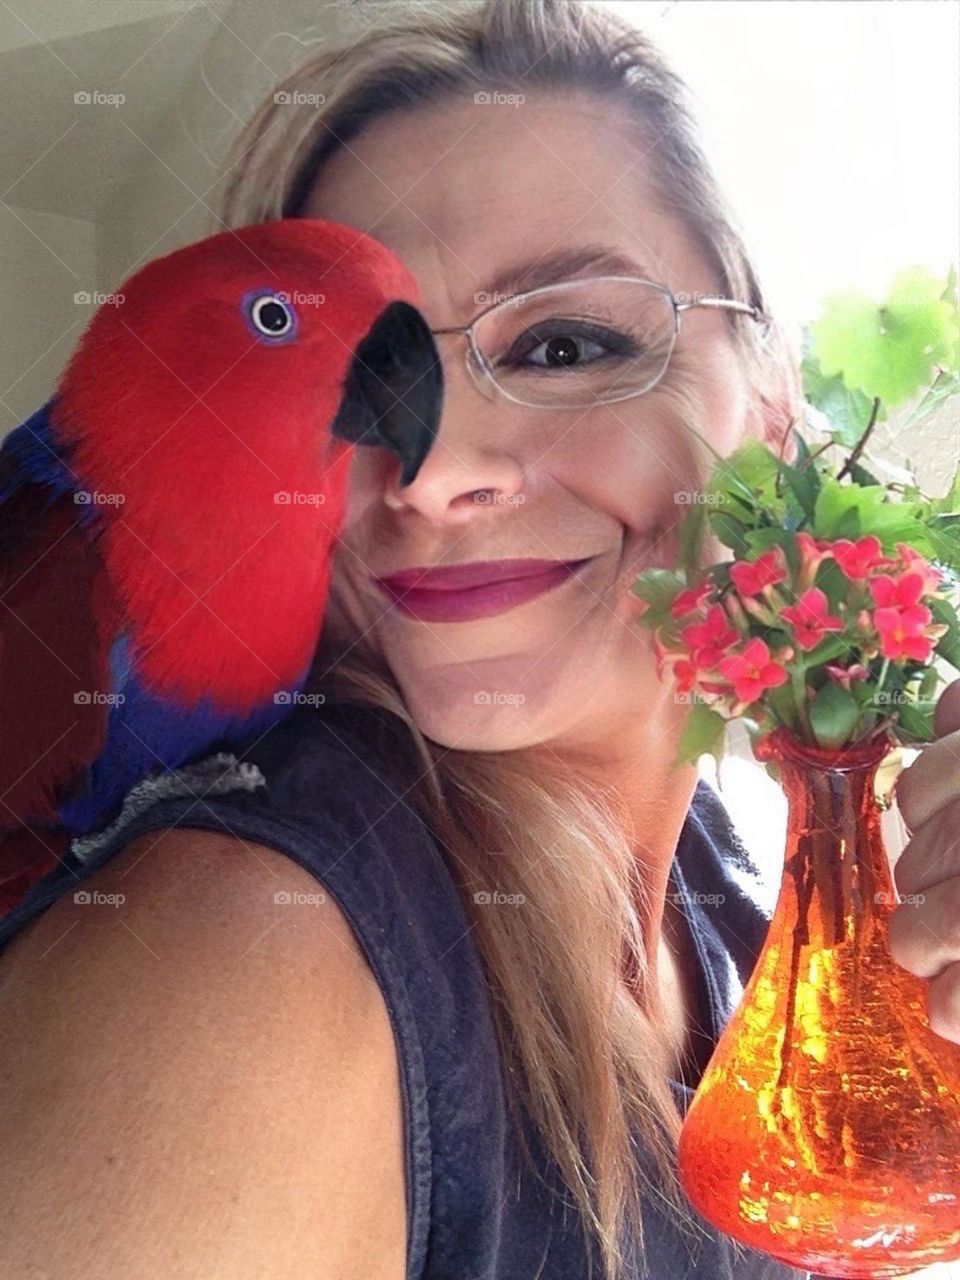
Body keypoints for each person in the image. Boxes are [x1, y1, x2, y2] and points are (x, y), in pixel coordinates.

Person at [3, 2, 958, 1278]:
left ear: (772, 405)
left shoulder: (732, 894)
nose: (432, 472)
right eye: (374, 399)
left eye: (565, 345)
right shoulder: (244, 951)